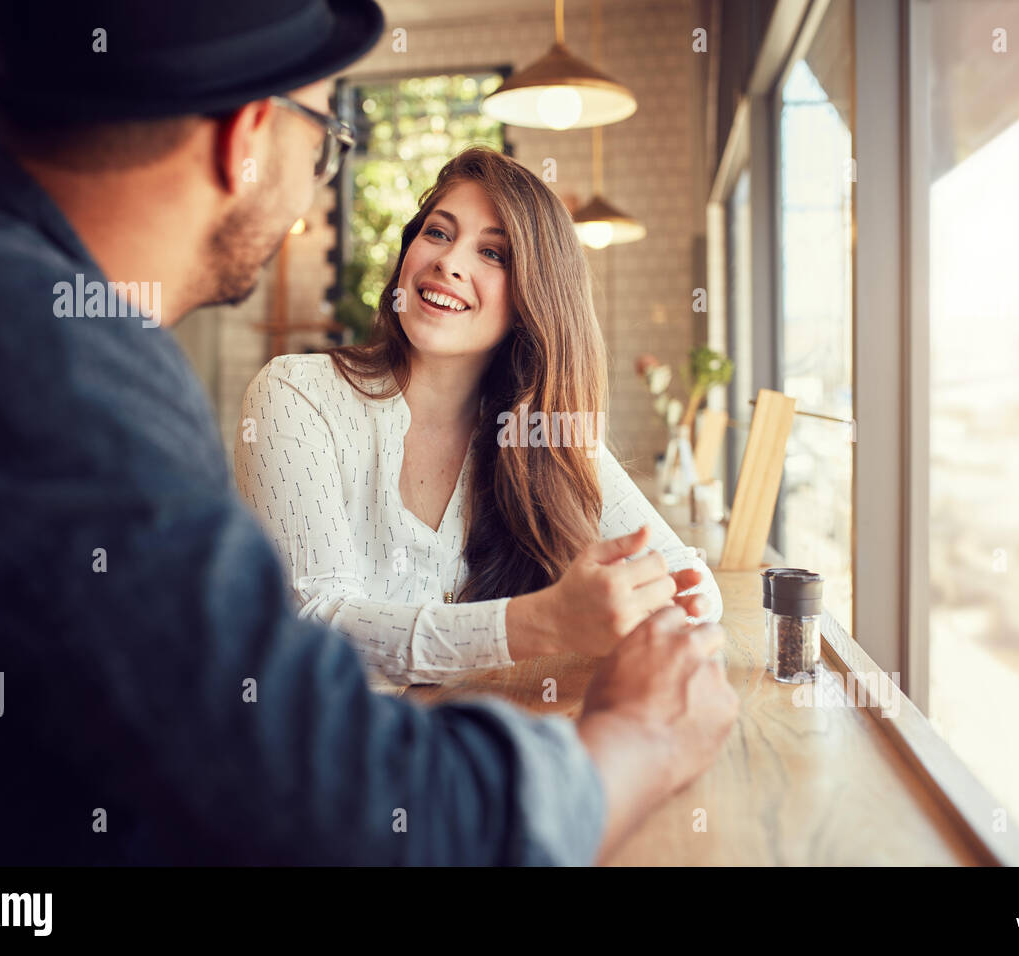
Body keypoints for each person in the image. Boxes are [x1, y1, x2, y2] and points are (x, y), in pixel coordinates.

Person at [0, 0, 738, 866]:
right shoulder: (42, 360)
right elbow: (331, 795)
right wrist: (640, 738)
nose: (317, 182)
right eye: (327, 142)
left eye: (493, 253)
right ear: (249, 136)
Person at [235, 145, 723, 686]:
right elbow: (317, 621)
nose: (449, 261)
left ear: (534, 300)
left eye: (493, 254)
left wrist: (662, 600)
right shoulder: (295, 394)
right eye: (438, 234)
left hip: (468, 751)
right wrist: (543, 623)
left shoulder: (539, 429)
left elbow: (687, 579)